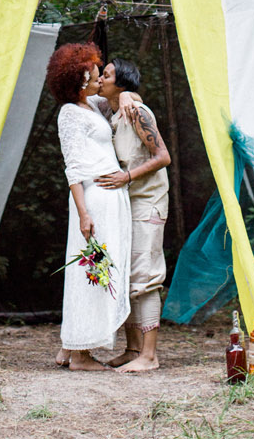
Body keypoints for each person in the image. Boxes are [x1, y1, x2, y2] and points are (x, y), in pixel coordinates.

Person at [47, 41, 132, 370]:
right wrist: (84, 214)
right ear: (82, 78)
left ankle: (70, 347)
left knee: (97, 270)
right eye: (96, 73)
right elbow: (74, 168)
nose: (101, 77)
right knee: (91, 272)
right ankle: (81, 354)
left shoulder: (90, 106)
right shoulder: (70, 113)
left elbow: (118, 95)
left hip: (109, 198)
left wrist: (124, 94)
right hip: (93, 199)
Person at [94, 58, 172, 372]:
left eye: (107, 75)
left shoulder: (137, 113)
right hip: (124, 204)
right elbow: (81, 92)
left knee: (145, 275)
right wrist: (125, 95)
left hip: (147, 202)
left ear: (122, 82)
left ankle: (149, 356)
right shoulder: (111, 111)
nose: (100, 78)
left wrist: (127, 177)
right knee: (124, 275)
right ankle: (132, 349)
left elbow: (162, 156)